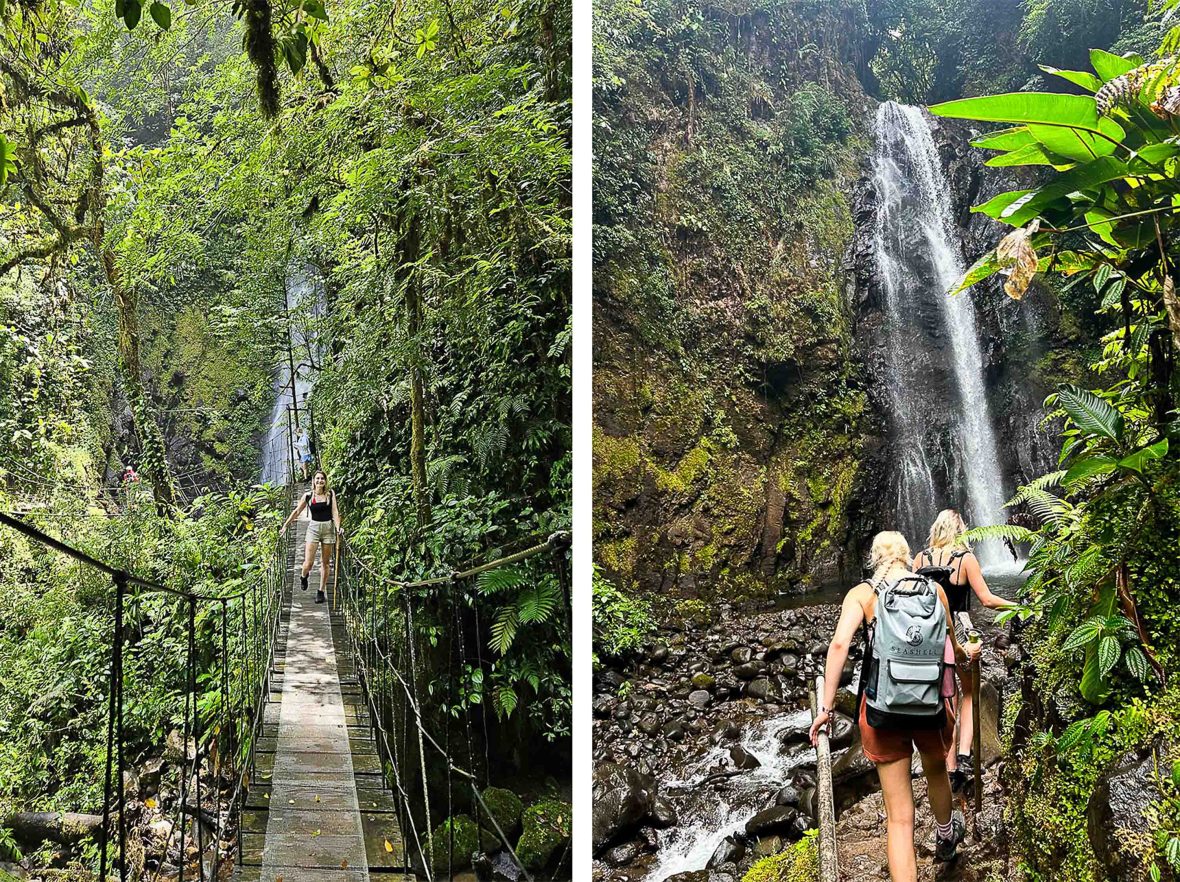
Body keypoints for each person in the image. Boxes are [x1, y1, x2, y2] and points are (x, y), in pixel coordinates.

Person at [809, 531, 979, 878]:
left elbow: (839, 645)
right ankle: (946, 834)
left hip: (882, 708)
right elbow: (951, 645)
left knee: (899, 819)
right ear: (907, 556)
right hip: (931, 703)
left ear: (875, 558)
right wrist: (967, 657)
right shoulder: (935, 591)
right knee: (935, 770)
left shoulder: (863, 594)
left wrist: (825, 710)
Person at [913, 508, 1015, 788]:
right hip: (958, 628)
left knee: (946, 696)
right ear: (961, 532)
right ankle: (964, 754)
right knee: (969, 692)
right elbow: (988, 600)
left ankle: (949, 764)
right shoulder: (965, 559)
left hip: (928, 632)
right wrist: (1019, 606)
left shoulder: (920, 559)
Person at [280, 470, 341, 604]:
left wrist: (338, 527)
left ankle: (321, 591)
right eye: (317, 479)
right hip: (313, 529)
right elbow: (296, 511)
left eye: (322, 479)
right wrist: (286, 525)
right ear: (313, 480)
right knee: (309, 563)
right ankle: (303, 576)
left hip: (328, 529)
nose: (320, 481)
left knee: (325, 563)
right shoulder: (308, 496)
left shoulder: (330, 494)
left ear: (325, 481)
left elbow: (335, 512)